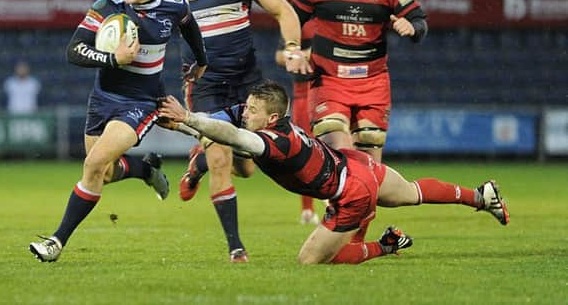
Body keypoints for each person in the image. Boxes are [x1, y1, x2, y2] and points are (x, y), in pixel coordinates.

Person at [158, 80, 509, 265]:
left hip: (350, 192)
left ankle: (385, 246)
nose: (244, 113)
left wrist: (187, 120)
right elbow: (226, 126)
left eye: (251, 110)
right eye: (246, 108)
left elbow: (232, 136)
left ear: (271, 119)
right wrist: (184, 124)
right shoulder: (276, 126)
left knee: (311, 260)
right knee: (413, 192)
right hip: (355, 164)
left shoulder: (275, 142)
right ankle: (481, 196)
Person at [29, 0, 208, 263]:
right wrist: (114, 58)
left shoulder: (173, 2)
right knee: (105, 173)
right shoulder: (107, 6)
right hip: (102, 99)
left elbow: (188, 25)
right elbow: (74, 51)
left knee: (93, 165)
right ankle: (144, 168)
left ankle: (56, 241)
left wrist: (201, 60)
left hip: (141, 101)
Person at [157, 0, 310, 262]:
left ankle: (197, 166)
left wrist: (291, 48)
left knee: (248, 165)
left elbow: (285, 12)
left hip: (247, 84)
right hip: (206, 86)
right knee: (221, 156)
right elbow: (156, 32)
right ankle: (236, 247)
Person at [291, 0, 428, 162]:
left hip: (373, 82)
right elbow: (290, 17)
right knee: (343, 155)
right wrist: (292, 48)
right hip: (329, 80)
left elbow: (419, 20)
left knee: (370, 170)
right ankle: (336, 198)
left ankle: (346, 201)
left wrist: (412, 28)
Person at [275, 20, 319, 225]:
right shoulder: (297, 23)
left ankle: (338, 203)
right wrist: (298, 54)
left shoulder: (332, 18)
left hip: (333, 88)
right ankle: (307, 209)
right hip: (302, 93)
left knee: (336, 147)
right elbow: (278, 55)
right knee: (306, 151)